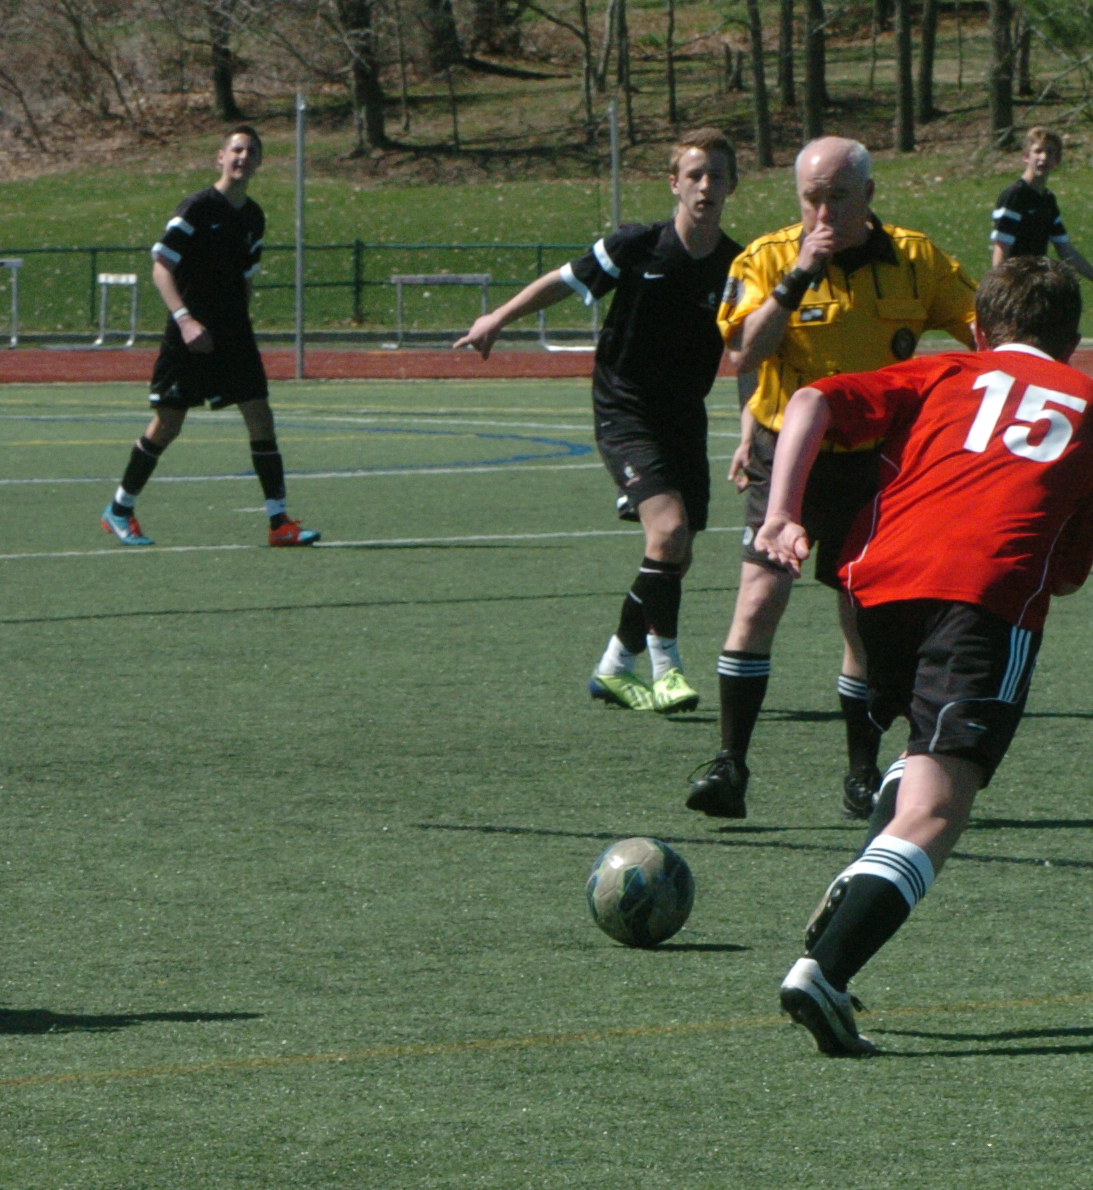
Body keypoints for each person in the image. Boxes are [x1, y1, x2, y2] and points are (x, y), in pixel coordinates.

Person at [752, 259, 1093, 1055]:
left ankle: (867, 874)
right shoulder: (1086, 400)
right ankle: (824, 971)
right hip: (981, 597)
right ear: (1074, 340)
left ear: (978, 330)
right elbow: (1071, 570)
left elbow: (808, 400)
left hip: (879, 587)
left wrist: (781, 514)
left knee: (919, 750)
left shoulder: (944, 370)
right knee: (940, 808)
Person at [686, 136, 976, 822]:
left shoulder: (916, 260)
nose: (823, 213)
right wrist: (797, 278)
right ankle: (728, 764)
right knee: (759, 599)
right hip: (787, 454)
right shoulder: (765, 258)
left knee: (862, 618)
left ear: (868, 196)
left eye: (838, 198)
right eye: (811, 199)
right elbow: (743, 353)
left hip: (874, 462)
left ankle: (860, 772)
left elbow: (982, 328)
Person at [455, 130, 742, 714]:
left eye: (717, 175)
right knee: (667, 532)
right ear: (674, 183)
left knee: (676, 554)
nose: (705, 185)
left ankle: (615, 665)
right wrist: (498, 317)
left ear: (732, 185)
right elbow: (563, 282)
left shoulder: (739, 263)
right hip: (625, 407)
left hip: (684, 416)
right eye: (695, 175)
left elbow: (751, 346)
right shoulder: (639, 244)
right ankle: (667, 670)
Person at [101, 125, 322, 550]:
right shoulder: (198, 207)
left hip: (233, 333)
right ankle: (120, 509)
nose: (243, 157)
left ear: (259, 162)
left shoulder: (254, 216)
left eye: (251, 152)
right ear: (220, 156)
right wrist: (185, 320)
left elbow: (246, 278)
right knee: (168, 424)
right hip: (189, 333)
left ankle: (279, 523)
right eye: (236, 149)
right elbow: (161, 267)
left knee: (260, 416)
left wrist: (238, 322)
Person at [991, 127, 1093, 283]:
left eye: (1050, 152)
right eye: (1038, 151)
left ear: (1057, 160)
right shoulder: (1015, 196)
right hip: (1015, 284)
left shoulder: (1047, 199)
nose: (1043, 157)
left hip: (1036, 283)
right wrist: (1002, 289)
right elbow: (1001, 252)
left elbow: (1065, 250)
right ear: (1026, 156)